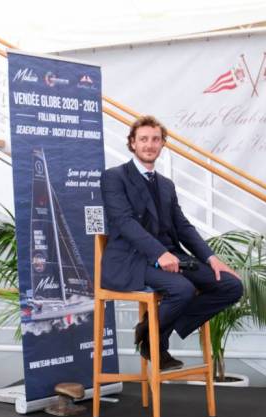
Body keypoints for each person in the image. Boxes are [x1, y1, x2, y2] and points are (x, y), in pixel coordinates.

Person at [100, 115, 243, 370]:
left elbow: (183, 227)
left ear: (163, 144)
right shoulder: (114, 177)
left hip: (172, 255)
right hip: (132, 258)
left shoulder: (166, 185)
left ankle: (150, 330)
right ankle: (155, 342)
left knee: (231, 286)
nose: (149, 144)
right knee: (183, 289)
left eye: (155, 139)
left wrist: (212, 259)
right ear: (132, 143)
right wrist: (158, 254)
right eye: (143, 139)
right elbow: (124, 222)